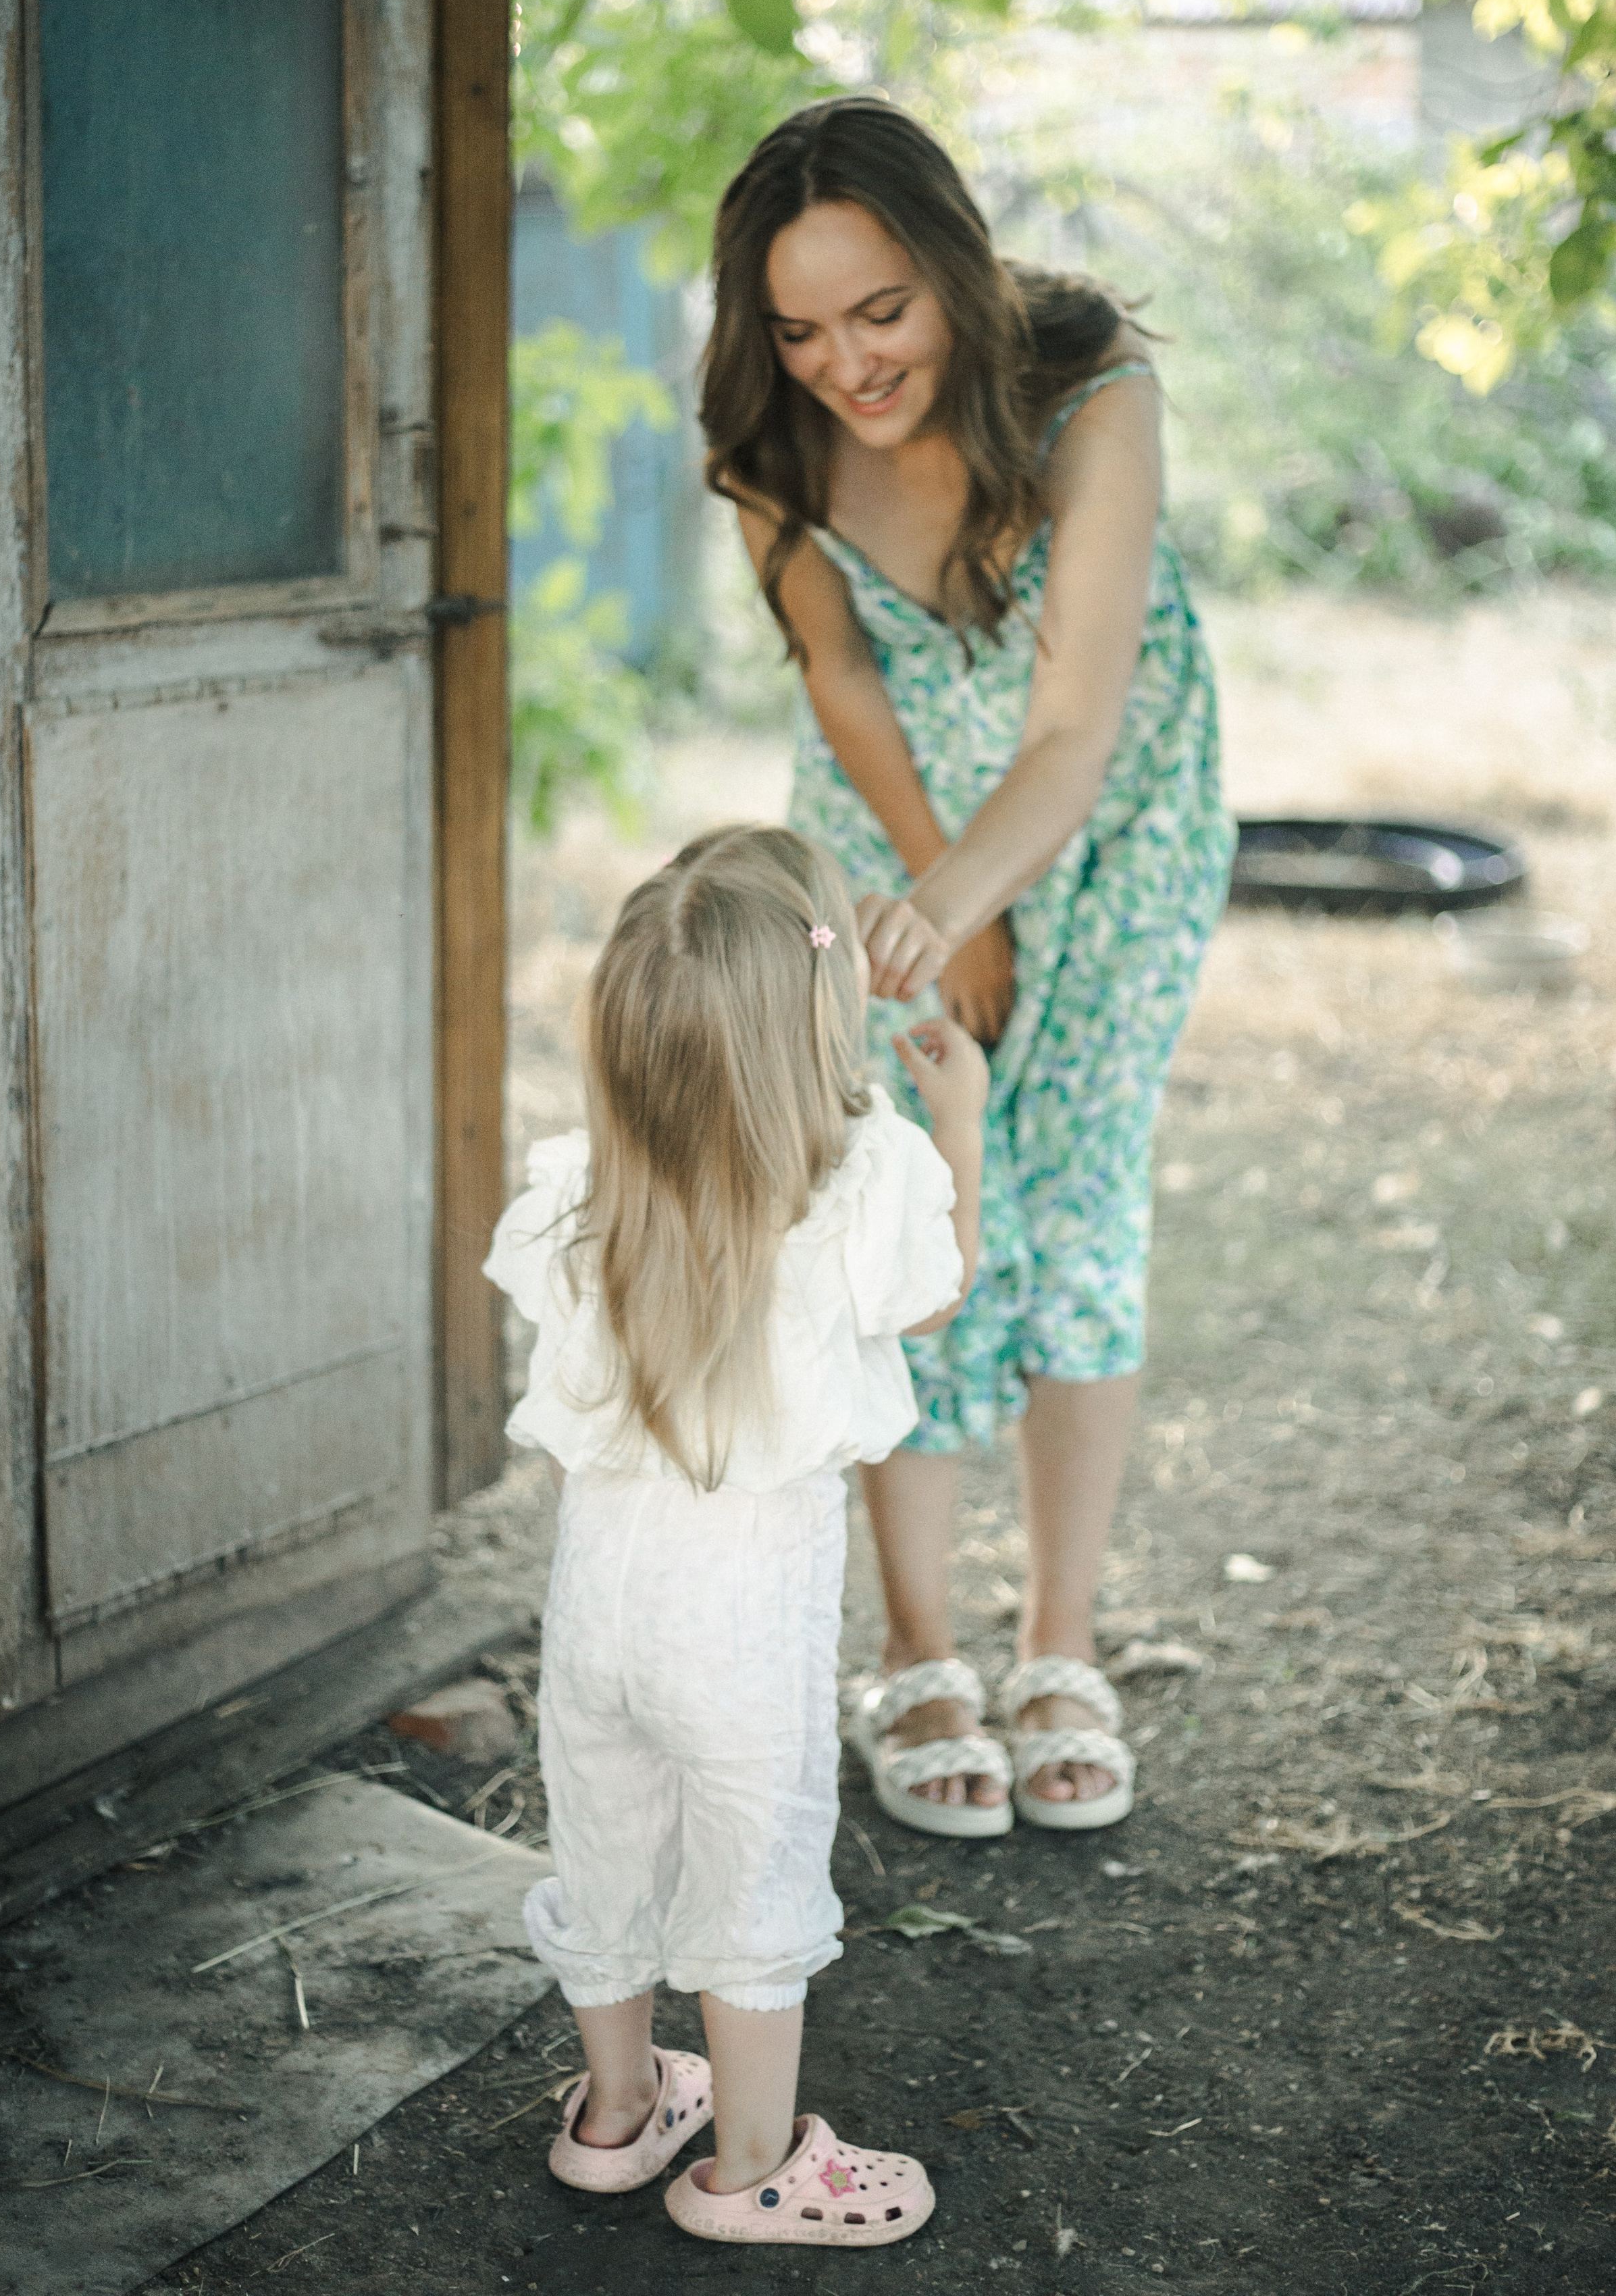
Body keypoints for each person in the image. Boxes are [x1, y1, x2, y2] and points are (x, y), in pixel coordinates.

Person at [700, 99, 1233, 1838]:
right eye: (796, 326)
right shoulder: (771, 449)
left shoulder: (1091, 397)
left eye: (880, 312)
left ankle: (1060, 1640)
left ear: (948, 269)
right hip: (897, 842)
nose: (844, 361)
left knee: (1074, 1206)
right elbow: (846, 688)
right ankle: (919, 1650)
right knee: (898, 1216)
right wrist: (945, 906)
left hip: (1112, 830)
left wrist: (982, 889)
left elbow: (1073, 729)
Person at [484, 824, 988, 2247]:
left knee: (607, 1853)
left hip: (595, 1629)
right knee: (751, 1874)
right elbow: (936, 1295)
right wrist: (961, 1120)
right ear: (813, 1024)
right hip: (740, 1639)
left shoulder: (589, 1192)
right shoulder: (852, 1184)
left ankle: (616, 2111)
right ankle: (753, 2168)